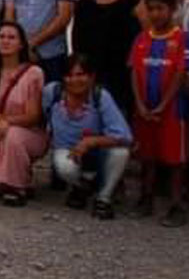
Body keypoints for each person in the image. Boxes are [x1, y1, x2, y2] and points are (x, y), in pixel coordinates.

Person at [130, 0, 189, 226]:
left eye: (161, 8)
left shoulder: (183, 38)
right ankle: (146, 198)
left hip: (173, 111)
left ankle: (176, 204)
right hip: (145, 110)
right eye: (151, 9)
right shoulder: (142, 38)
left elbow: (181, 73)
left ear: (173, 9)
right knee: (148, 155)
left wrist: (164, 104)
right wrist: (139, 103)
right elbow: (135, 72)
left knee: (175, 159)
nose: (156, 14)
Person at [42, 54, 133, 219]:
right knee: (64, 166)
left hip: (98, 152)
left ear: (92, 77)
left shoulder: (100, 96)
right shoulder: (52, 93)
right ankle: (81, 187)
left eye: (80, 74)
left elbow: (124, 136)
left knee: (121, 152)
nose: (75, 80)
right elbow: (43, 118)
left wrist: (91, 141)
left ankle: (103, 199)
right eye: (69, 75)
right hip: (67, 149)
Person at [0, 21, 47, 206]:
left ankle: (15, 189)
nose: (5, 41)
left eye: (11, 37)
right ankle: (24, 179)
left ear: (21, 44)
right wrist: (3, 121)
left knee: (13, 135)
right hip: (3, 130)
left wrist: (7, 123)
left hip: (30, 133)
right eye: (1, 37)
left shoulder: (33, 73)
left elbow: (33, 115)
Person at [72, 0, 144, 118]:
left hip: (126, 73)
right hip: (94, 73)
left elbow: (146, 36)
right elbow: (77, 40)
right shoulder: (85, 3)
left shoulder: (136, 0)